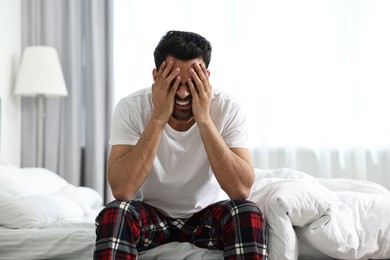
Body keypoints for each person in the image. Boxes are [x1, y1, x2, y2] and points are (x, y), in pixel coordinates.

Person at [94, 30, 268, 260]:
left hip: (206, 217)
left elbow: (240, 190)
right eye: (174, 83)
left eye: (193, 83)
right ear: (157, 77)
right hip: (152, 215)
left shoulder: (228, 108)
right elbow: (122, 190)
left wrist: (204, 119)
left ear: (206, 77)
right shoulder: (131, 107)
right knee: (115, 213)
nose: (184, 93)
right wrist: (158, 117)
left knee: (247, 212)